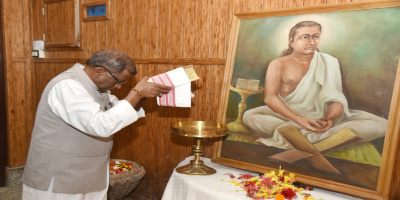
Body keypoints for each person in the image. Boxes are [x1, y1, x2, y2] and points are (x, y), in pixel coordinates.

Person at [21, 49, 172, 200]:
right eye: (119, 81)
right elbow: (101, 125)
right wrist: (137, 93)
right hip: (59, 177)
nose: (119, 87)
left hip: (89, 174)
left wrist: (143, 97)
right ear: (99, 71)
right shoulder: (67, 86)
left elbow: (119, 110)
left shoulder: (98, 87)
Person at [243, 21, 388, 149]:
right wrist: (298, 119)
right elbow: (270, 98)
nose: (312, 42)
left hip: (320, 117)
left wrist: (328, 119)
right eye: (305, 37)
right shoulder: (278, 64)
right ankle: (318, 138)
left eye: (316, 36)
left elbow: (337, 100)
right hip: (286, 115)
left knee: (383, 125)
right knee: (250, 115)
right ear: (292, 41)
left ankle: (298, 135)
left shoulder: (329, 62)